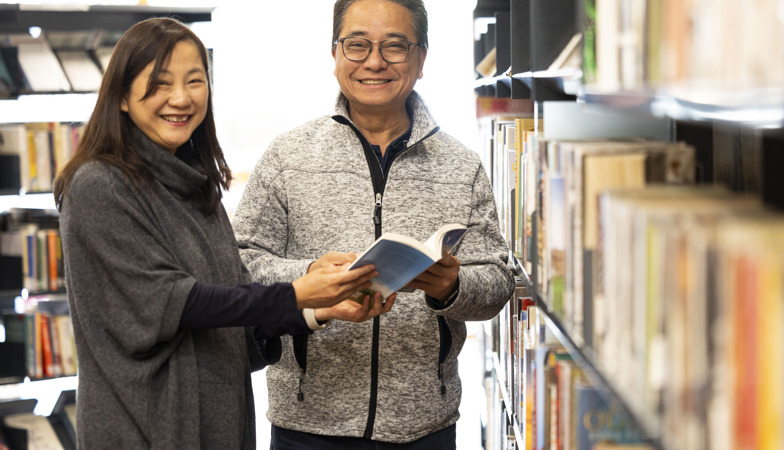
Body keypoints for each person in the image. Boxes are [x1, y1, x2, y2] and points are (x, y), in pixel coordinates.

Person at [53, 17, 394, 449]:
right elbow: (174, 303)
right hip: (142, 428)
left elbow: (232, 312)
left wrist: (321, 309)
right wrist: (300, 292)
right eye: (160, 83)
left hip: (219, 424)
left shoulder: (196, 188)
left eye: (195, 81)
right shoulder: (97, 185)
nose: (181, 98)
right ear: (121, 95)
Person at [232, 0, 515, 447]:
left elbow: (498, 282)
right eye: (358, 45)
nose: (375, 62)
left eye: (395, 47)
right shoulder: (287, 157)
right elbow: (240, 267)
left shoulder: (463, 167)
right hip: (307, 426)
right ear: (335, 54)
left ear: (421, 59)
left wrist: (451, 287)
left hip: (424, 427)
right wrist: (310, 277)